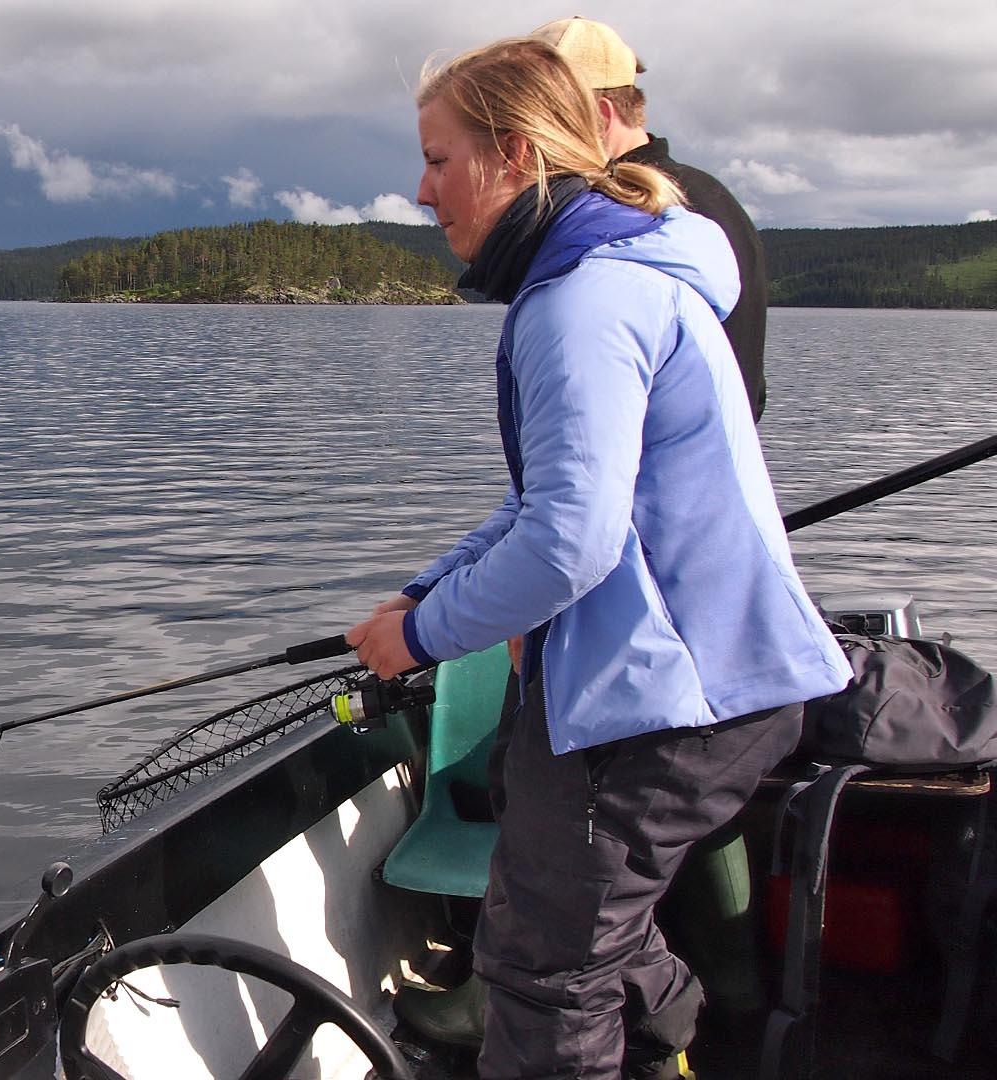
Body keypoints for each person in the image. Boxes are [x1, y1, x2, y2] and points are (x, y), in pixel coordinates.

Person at [345, 38, 849, 1080]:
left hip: (669, 705)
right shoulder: (624, 275)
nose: (422, 188)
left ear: (516, 155)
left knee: (543, 968)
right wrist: (431, 591)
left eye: (440, 160)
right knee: (571, 924)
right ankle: (677, 1056)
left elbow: (572, 541)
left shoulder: (581, 303)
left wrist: (426, 635)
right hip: (696, 690)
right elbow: (555, 504)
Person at [531, 16, 770, 421]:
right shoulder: (716, 200)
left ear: (600, 119)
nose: (529, 147)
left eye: (542, 124)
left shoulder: (620, 220)